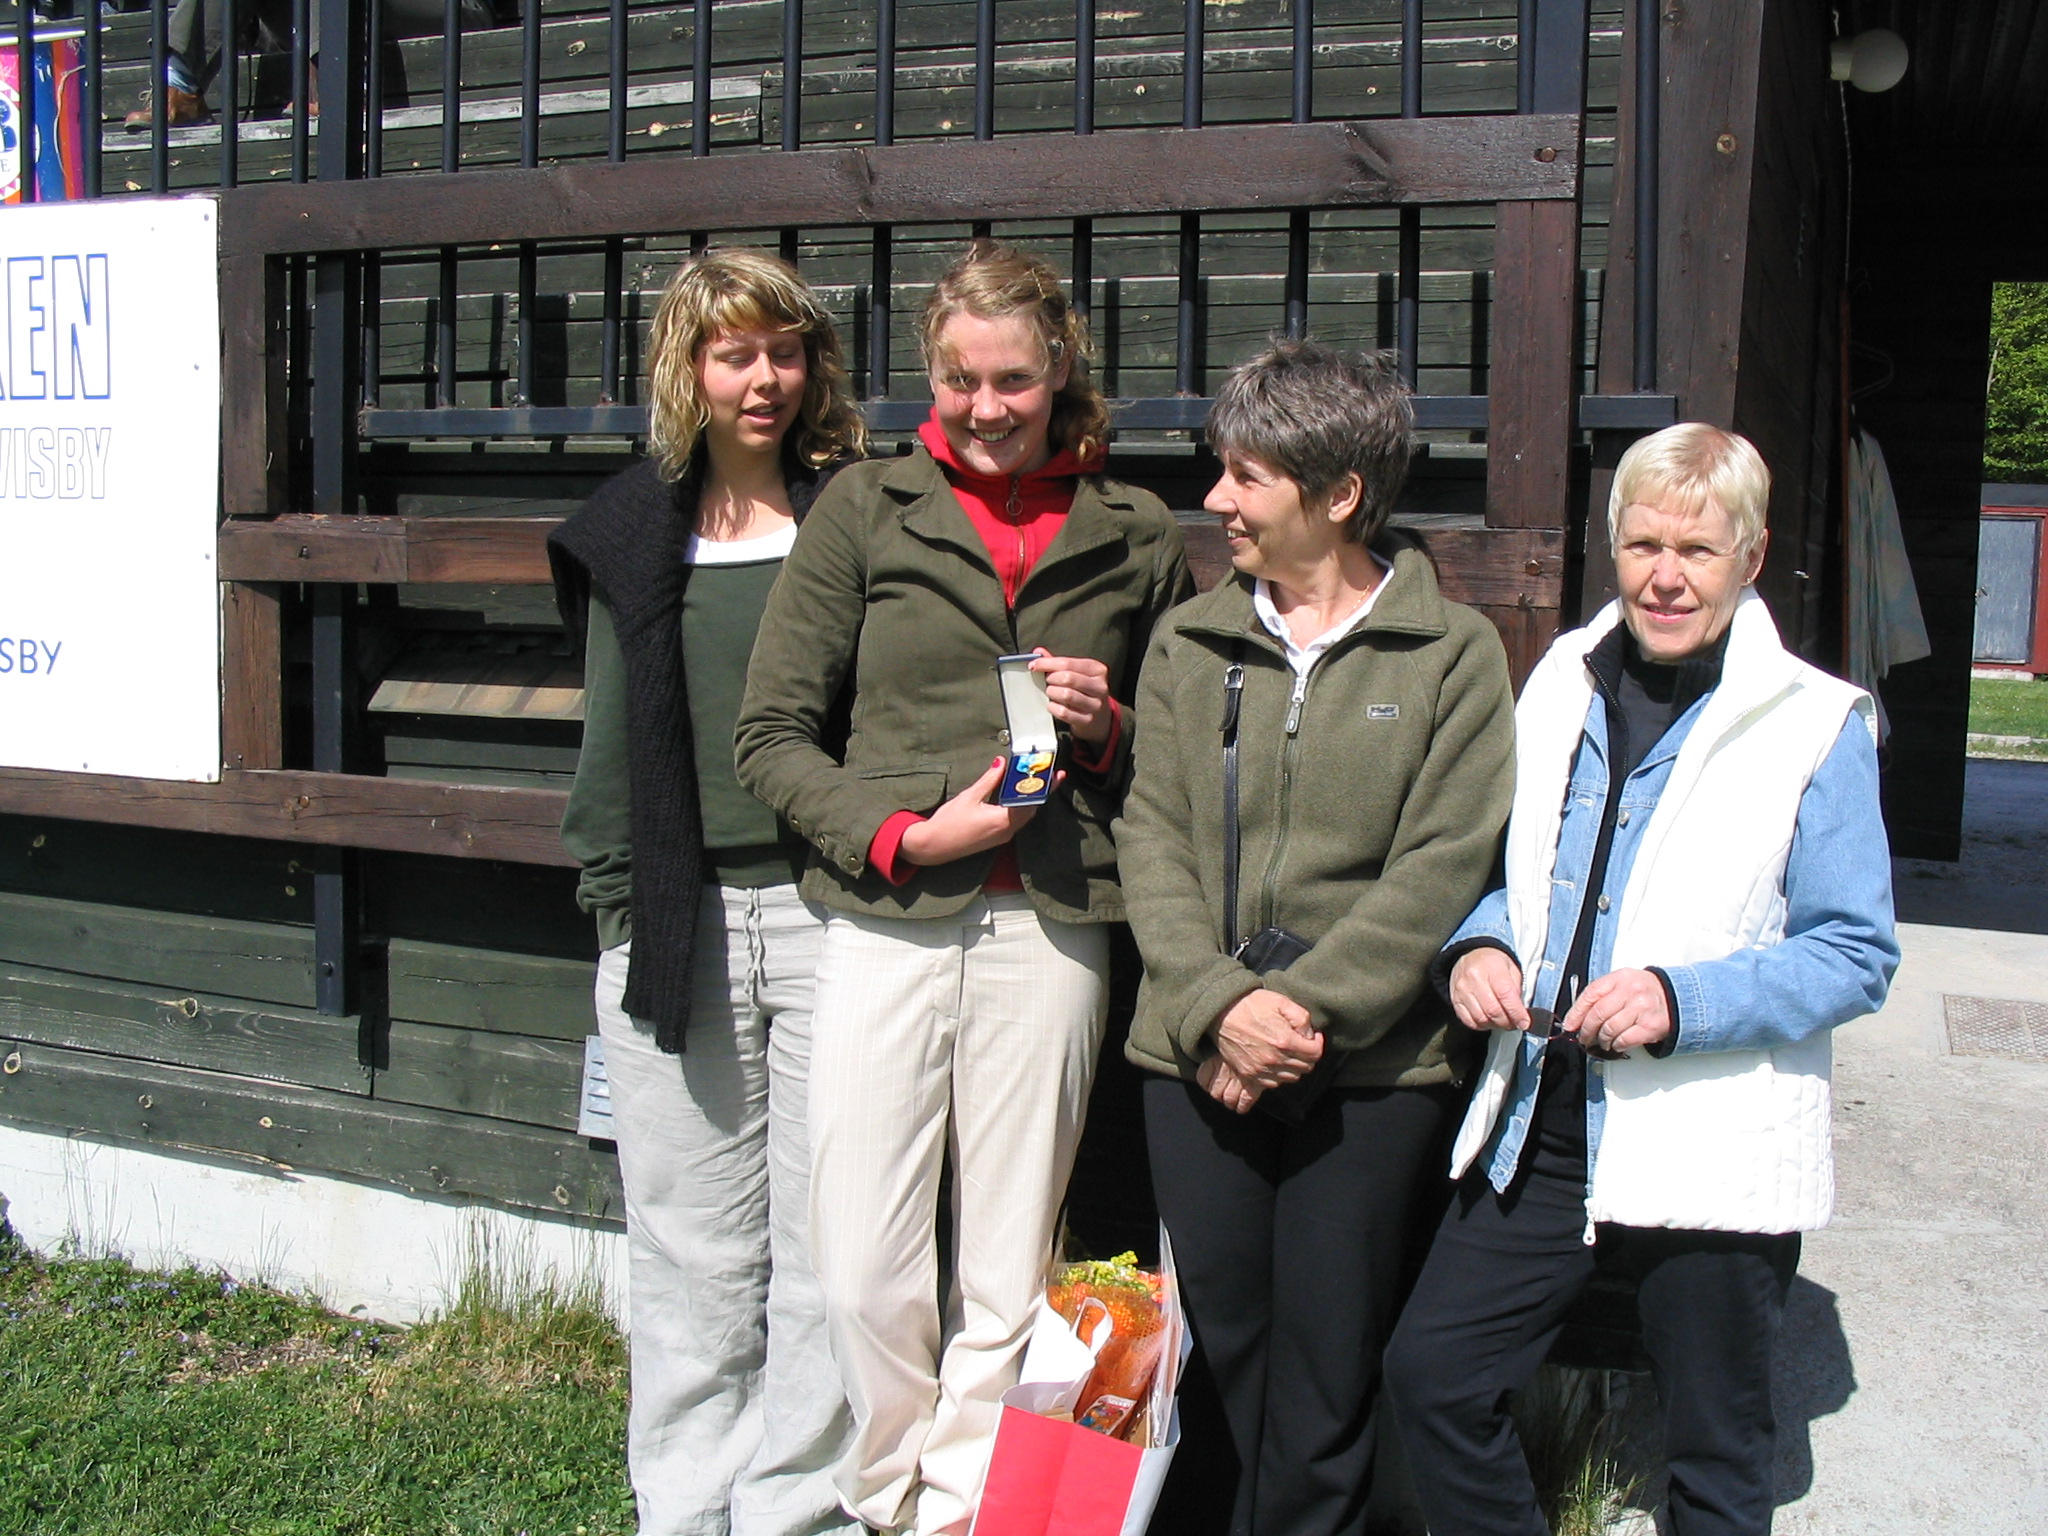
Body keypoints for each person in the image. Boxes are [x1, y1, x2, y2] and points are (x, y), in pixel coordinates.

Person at [735, 239, 1194, 1536]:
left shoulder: (1133, 530)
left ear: (1060, 368)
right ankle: (886, 1491)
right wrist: (901, 835)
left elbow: (1176, 753)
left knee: (1010, 1261)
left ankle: (958, 1512)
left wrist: (1105, 725)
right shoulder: (863, 509)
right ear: (928, 376)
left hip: (1052, 924)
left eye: (1012, 381)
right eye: (959, 381)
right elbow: (767, 736)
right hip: (888, 917)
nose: (986, 409)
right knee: (860, 1263)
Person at [1383, 423, 1900, 1536]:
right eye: (1643, 544)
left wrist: (1679, 999)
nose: (1665, 577)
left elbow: (1855, 951)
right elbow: (1518, 877)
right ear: (1612, 544)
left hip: (1711, 1131)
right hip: (1542, 1113)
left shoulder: (1814, 722)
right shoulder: (1558, 680)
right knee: (1433, 1380)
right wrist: (1479, 948)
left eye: (1697, 551)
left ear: (1749, 557)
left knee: (1715, 1454)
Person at [1115, 339, 1516, 1536]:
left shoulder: (1452, 654)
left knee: (1329, 1363)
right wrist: (1218, 1008)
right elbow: (1151, 834)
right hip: (1195, 1057)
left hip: (1375, 1069)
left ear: (1338, 496)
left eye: (1244, 477)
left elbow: (1443, 862)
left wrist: (1300, 1015)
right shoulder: (1188, 643)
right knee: (1226, 1349)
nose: (1215, 500)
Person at [548, 247, 867, 1536]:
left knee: (828, 1247)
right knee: (691, 1253)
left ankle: (795, 1511)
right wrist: (626, 919)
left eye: (784, 352)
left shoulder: (856, 511)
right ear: (687, 367)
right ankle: (683, 1509)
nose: (763, 380)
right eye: (734, 354)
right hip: (678, 926)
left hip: (834, 920)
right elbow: (608, 751)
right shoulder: (633, 528)